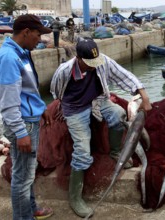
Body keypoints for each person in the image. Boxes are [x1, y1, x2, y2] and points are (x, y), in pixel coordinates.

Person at [50, 38, 152, 217]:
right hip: (74, 108)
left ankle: (114, 151)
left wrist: (144, 97)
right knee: (82, 150)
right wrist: (62, 107)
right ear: (78, 58)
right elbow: (56, 92)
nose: (92, 66)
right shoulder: (64, 71)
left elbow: (124, 76)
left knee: (118, 114)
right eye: (88, 63)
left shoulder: (102, 61)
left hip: (98, 100)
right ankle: (75, 198)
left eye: (94, 63)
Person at [0, 14, 54, 220]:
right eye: (37, 35)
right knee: (22, 177)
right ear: (26, 33)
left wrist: (41, 107)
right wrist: (20, 132)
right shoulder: (9, 59)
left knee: (27, 172)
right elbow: (9, 103)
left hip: (29, 119)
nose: (40, 39)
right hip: (23, 124)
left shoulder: (21, 53)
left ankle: (31, 208)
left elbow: (27, 89)